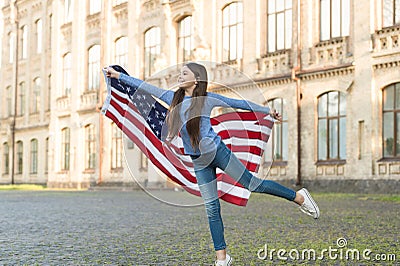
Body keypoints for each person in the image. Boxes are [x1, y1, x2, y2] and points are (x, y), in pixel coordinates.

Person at [105, 62, 319, 266]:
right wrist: (119, 76)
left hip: (218, 152)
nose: (180, 76)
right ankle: (222, 258)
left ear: (197, 80)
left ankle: (300, 197)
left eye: (185, 73)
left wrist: (267, 112)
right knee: (211, 208)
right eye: (180, 73)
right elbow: (144, 86)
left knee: (253, 184)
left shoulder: (208, 99)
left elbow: (239, 104)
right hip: (198, 161)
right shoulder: (173, 98)